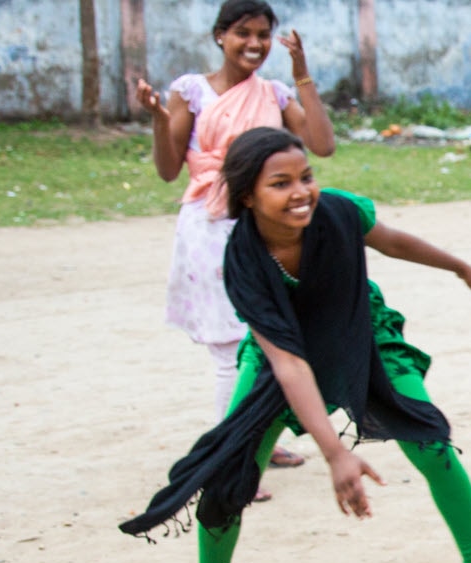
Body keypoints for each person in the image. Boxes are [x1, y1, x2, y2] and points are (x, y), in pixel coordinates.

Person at [121, 127, 471, 563]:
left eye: (306, 176)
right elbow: (289, 365)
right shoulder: (243, 262)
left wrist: (460, 268)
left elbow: (392, 241)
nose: (301, 191)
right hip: (284, 353)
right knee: (229, 471)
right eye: (280, 183)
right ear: (248, 195)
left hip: (363, 332)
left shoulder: (338, 211)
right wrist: (335, 451)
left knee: (430, 439)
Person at [134, 0, 334, 491]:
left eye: (263, 34)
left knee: (272, 343)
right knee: (231, 347)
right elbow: (166, 169)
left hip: (270, 231)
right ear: (220, 36)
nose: (255, 44)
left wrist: (303, 75)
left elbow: (323, 145)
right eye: (243, 32)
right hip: (212, 227)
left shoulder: (274, 92)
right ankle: (230, 463)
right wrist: (160, 119)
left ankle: (257, 442)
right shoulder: (191, 92)